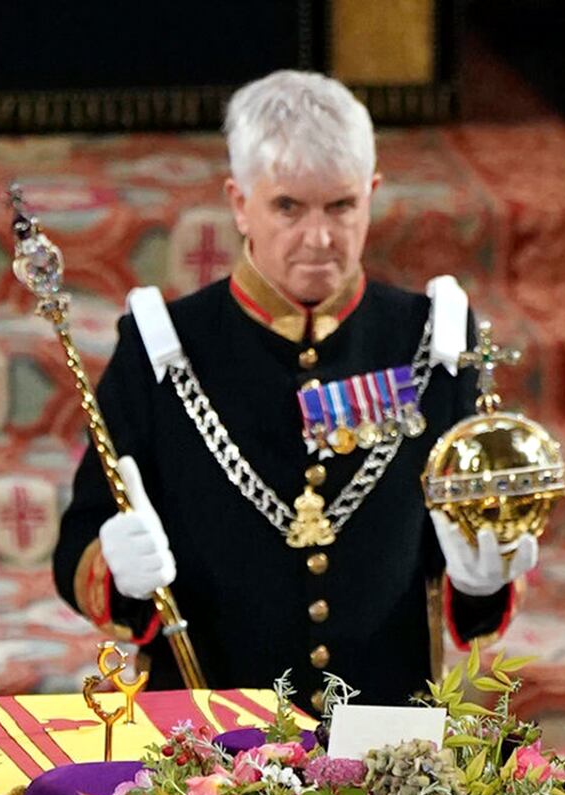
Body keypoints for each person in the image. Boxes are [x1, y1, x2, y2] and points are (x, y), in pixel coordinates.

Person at [52, 71, 540, 711]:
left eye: (341, 207)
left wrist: (482, 580)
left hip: (384, 724)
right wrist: (118, 575)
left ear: (372, 195)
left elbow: (470, 574)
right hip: (209, 728)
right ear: (238, 202)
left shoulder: (433, 342)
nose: (319, 238)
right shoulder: (162, 347)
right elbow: (76, 548)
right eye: (288, 207)